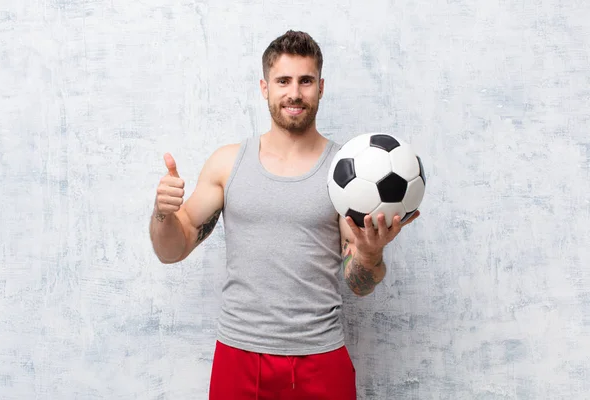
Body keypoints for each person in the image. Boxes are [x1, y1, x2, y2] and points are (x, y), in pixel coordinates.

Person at [149, 30, 420, 400]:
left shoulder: (348, 175)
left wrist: (371, 254)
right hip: (239, 354)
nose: (294, 93)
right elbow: (171, 251)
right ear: (265, 87)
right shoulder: (228, 163)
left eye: (305, 81)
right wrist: (162, 213)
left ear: (321, 87)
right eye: (283, 81)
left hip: (320, 359)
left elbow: (359, 283)